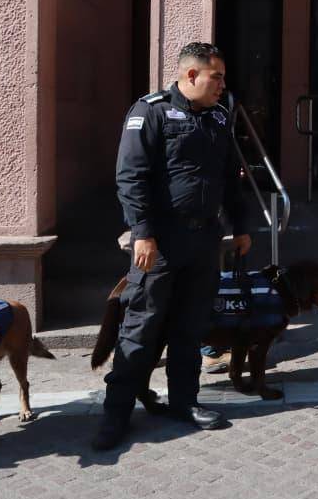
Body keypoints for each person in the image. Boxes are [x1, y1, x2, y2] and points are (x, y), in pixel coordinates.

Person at [93, 42, 252, 451]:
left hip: (204, 239)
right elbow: (131, 176)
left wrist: (241, 225)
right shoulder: (151, 111)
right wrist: (142, 232)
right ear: (191, 75)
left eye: (222, 78)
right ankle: (116, 414)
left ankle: (185, 402)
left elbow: (230, 178)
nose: (222, 86)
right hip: (160, 242)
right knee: (141, 326)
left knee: (191, 326)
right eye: (216, 77)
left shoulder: (219, 116)